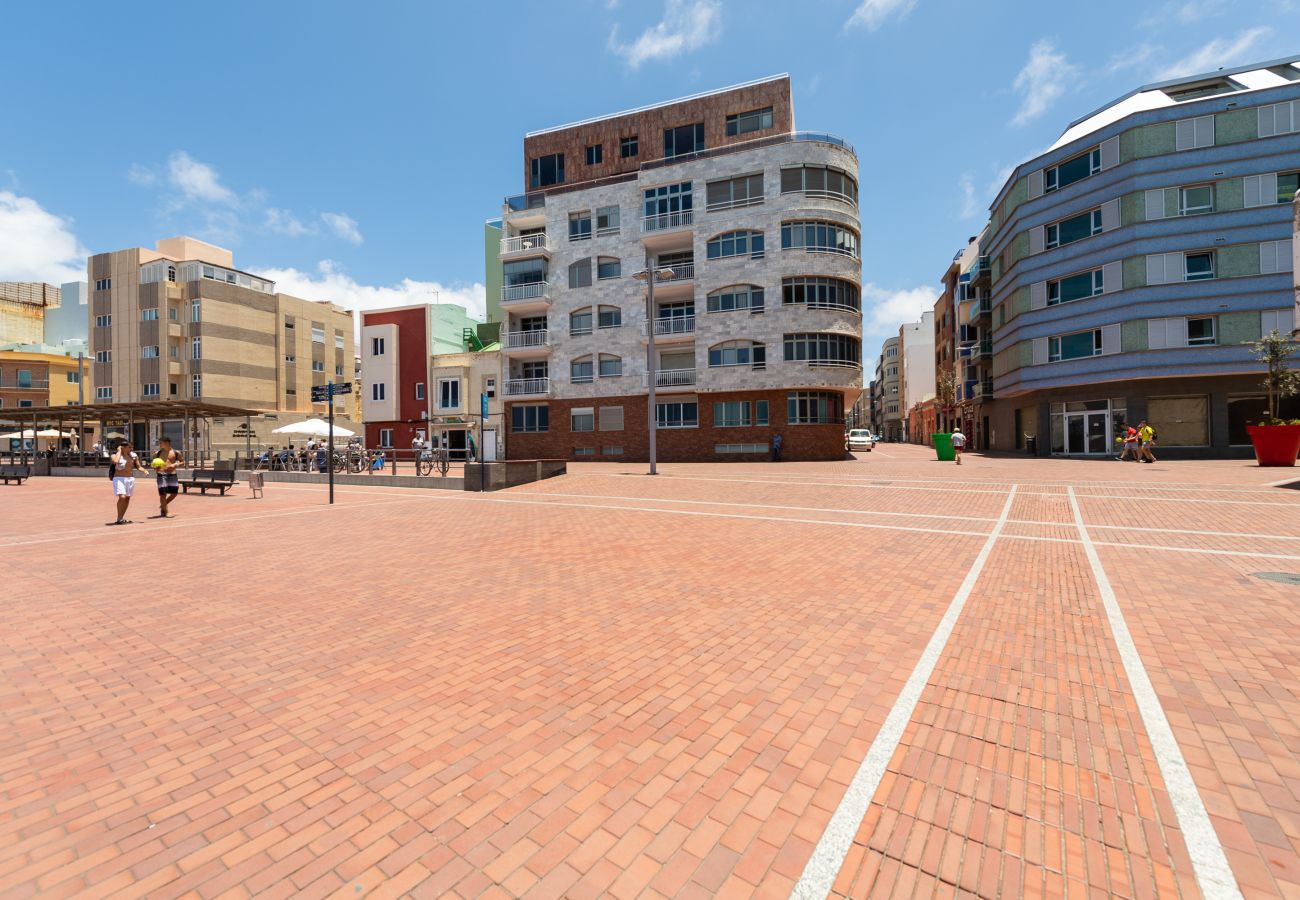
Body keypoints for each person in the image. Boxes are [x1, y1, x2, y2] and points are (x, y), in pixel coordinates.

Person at [109, 440, 147, 525]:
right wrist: (119, 451)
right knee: (122, 497)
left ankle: (121, 518)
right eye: (129, 447)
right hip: (119, 478)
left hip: (130, 478)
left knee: (127, 498)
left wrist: (144, 470)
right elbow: (115, 461)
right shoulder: (114, 455)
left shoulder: (133, 456)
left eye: (131, 447)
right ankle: (119, 518)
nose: (131, 448)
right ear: (123, 447)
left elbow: (138, 466)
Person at [154, 436, 184, 518]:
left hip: (172, 474)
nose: (159, 444)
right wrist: (156, 468)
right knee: (163, 494)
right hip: (161, 474)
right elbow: (154, 464)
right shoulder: (158, 453)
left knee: (174, 493)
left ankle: (163, 506)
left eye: (161, 443)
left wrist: (175, 464)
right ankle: (166, 511)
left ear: (167, 443)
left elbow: (182, 462)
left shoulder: (176, 452)